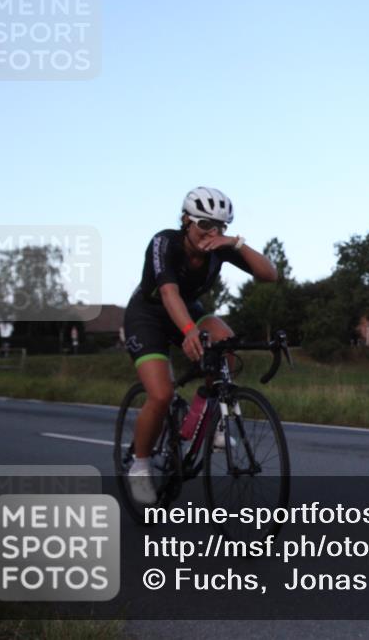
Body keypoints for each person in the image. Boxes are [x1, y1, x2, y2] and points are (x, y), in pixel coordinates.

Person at [122, 187, 278, 504]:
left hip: (187, 309)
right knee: (161, 394)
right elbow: (168, 293)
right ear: (186, 221)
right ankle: (140, 465)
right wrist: (189, 331)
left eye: (220, 226)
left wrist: (235, 243)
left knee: (226, 345)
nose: (212, 232)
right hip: (149, 314)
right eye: (205, 224)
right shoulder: (165, 242)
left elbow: (269, 274)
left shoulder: (219, 246)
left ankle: (210, 418)